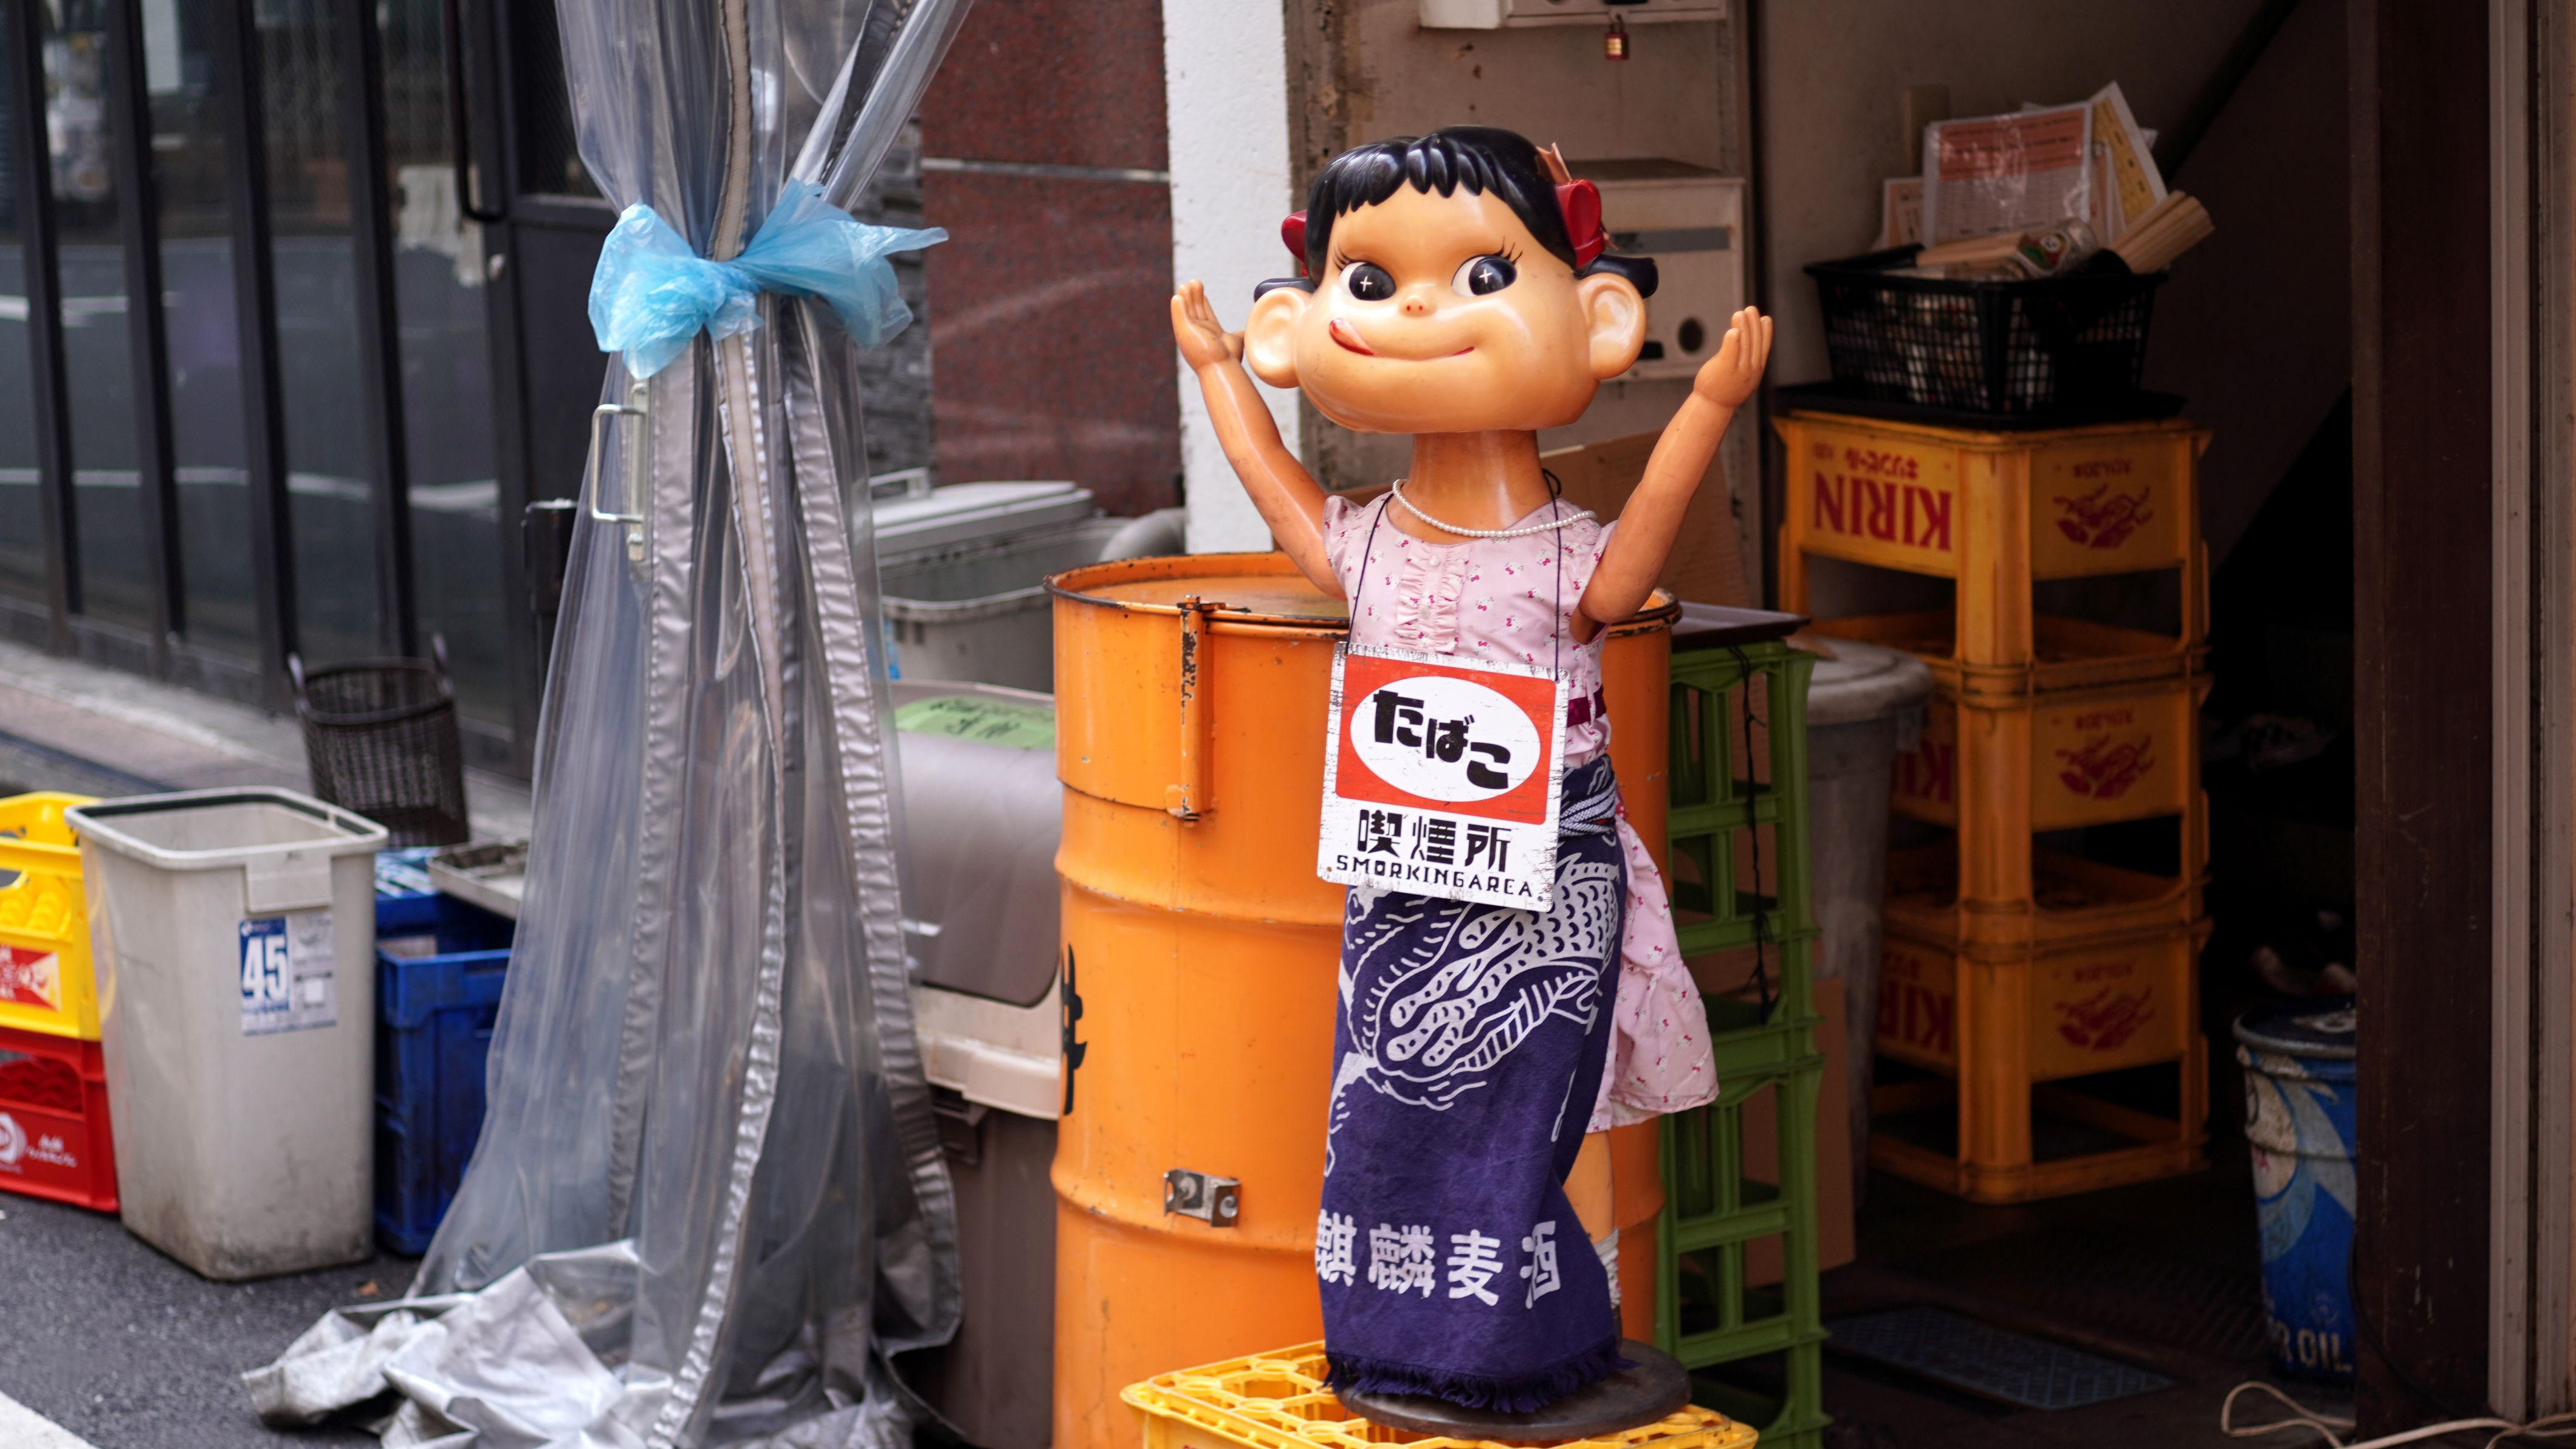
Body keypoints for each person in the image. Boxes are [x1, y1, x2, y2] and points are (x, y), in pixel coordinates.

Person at [1170, 125, 1770, 1411]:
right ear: (1292, 327)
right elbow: (1272, 481)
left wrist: (1710, 406)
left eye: (1484, 277)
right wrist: (1216, 370)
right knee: (1383, 1107)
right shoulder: (1362, 538)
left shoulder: (1566, 552)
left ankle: (1537, 1341)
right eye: (1368, 281)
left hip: (1547, 870)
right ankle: (1400, 1339)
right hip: (1402, 874)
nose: (1417, 311)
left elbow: (1637, 555)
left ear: (1599, 319)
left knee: (1543, 1107)